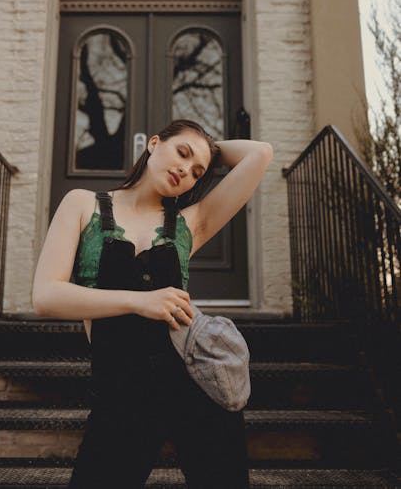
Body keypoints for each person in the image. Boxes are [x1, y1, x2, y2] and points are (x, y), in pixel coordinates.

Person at [32, 118, 273, 488]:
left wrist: (208, 148)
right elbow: (46, 296)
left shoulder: (191, 223)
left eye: (197, 172)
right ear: (153, 143)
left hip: (191, 380)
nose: (185, 171)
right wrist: (140, 301)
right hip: (120, 389)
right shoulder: (83, 205)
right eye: (181, 152)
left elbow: (260, 154)